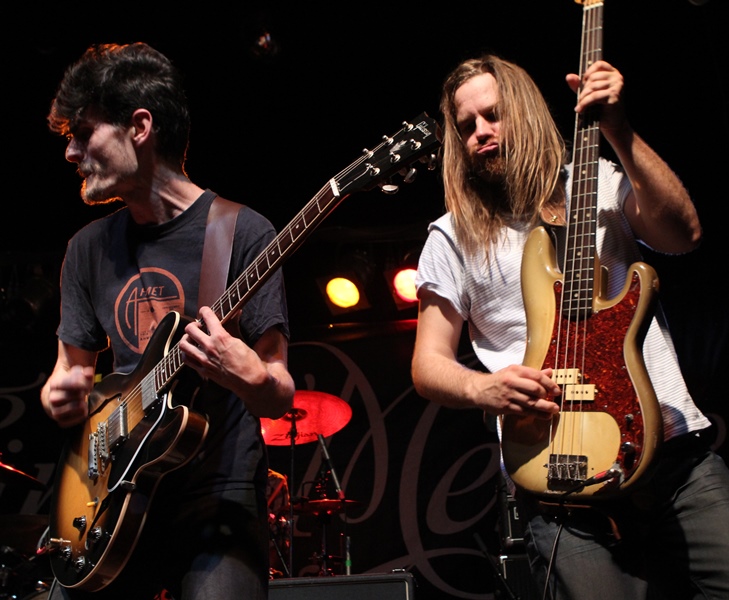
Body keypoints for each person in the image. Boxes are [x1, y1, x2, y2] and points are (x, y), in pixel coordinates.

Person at [411, 53, 729, 599]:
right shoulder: (450, 236)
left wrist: (619, 130)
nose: (481, 133)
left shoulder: (600, 183)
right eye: (466, 127)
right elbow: (427, 363)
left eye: (492, 115)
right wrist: (482, 386)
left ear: (527, 112)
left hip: (674, 457)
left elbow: (684, 234)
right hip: (561, 479)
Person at [40, 42, 295, 599]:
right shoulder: (86, 249)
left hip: (216, 493)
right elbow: (71, 372)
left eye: (82, 133)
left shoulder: (243, 232)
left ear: (139, 126)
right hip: (115, 496)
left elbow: (278, 392)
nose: (71, 152)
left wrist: (249, 375)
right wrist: (60, 393)